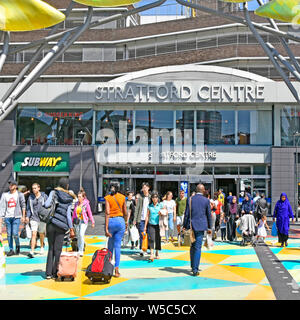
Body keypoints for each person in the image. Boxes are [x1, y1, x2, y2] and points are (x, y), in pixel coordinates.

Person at [44, 177, 76, 279]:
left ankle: (48, 273)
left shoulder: (54, 193)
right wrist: (71, 229)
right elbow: (68, 216)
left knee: (51, 249)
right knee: (58, 250)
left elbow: (46, 204)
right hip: (62, 226)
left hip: (52, 223)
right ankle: (55, 272)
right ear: (67, 186)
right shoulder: (69, 198)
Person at [183, 184, 212, 277]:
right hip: (201, 226)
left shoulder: (190, 199)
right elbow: (209, 215)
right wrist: (210, 227)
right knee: (198, 247)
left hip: (191, 226)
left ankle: (193, 266)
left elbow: (186, 214)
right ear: (203, 190)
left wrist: (184, 225)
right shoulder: (206, 200)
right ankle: (195, 269)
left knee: (192, 246)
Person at [105, 183, 127, 278]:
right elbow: (125, 212)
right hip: (120, 221)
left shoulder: (107, 198)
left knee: (110, 245)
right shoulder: (122, 197)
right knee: (117, 246)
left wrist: (106, 228)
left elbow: (107, 213)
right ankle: (117, 269)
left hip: (111, 221)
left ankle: (109, 266)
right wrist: (125, 222)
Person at [0, 179, 26, 256]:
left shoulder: (20, 195)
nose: (10, 186)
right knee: (8, 234)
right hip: (7, 217)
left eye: (12, 184)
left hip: (16, 217)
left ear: (15, 186)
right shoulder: (5, 195)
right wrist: (1, 217)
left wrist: (23, 216)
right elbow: (2, 207)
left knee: (15, 233)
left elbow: (23, 206)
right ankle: (11, 249)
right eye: (10, 184)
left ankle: (17, 246)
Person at [26, 183, 48, 258]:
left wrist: (46, 214)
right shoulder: (30, 197)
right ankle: (32, 251)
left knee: (41, 234)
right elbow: (28, 208)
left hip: (42, 218)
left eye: (35, 188)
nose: (34, 190)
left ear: (39, 188)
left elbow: (48, 206)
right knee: (33, 234)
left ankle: (42, 246)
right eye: (33, 188)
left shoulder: (44, 196)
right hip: (33, 218)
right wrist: (27, 217)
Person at [72, 189, 95, 257]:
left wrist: (92, 221)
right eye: (78, 196)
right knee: (78, 236)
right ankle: (79, 249)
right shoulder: (76, 204)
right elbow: (74, 213)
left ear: (83, 197)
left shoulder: (86, 204)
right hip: (77, 221)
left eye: (80, 197)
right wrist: (72, 221)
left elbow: (89, 213)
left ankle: (81, 250)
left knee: (81, 234)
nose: (78, 198)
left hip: (83, 222)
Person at [133, 182, 151, 257]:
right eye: (143, 187)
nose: (144, 189)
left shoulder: (151, 197)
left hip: (150, 219)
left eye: (145, 187)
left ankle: (148, 248)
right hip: (141, 218)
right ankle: (142, 249)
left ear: (148, 188)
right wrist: (135, 219)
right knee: (142, 234)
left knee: (149, 234)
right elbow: (137, 208)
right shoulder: (140, 198)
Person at [144, 192, 163, 261]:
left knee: (158, 238)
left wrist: (162, 212)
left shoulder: (160, 205)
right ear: (151, 199)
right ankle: (151, 254)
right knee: (151, 238)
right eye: (153, 197)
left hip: (158, 224)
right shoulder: (149, 206)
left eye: (156, 197)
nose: (155, 199)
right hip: (151, 224)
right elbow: (147, 216)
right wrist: (145, 226)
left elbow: (165, 212)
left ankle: (157, 252)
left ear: (158, 198)